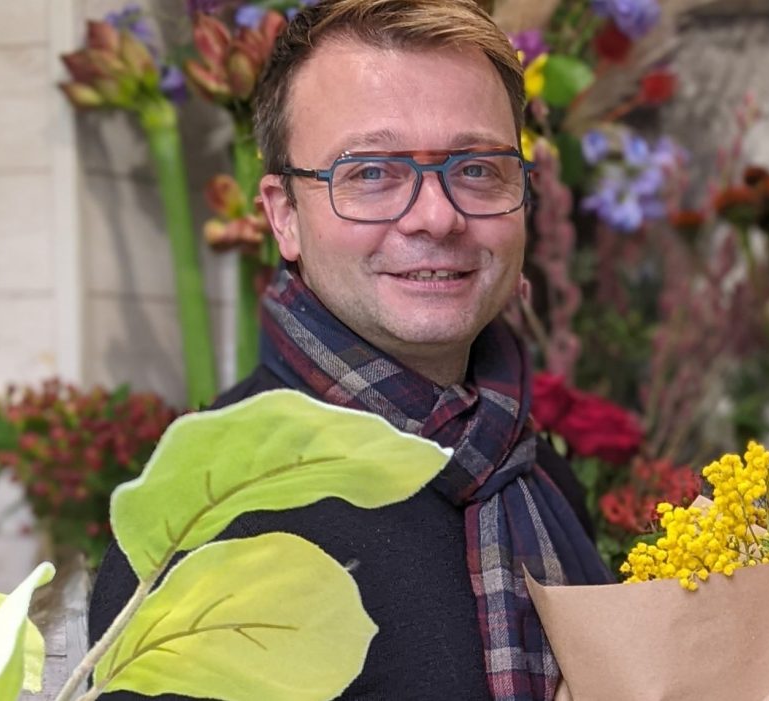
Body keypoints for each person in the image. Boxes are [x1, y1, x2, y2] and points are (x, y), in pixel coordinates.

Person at [86, 1, 612, 699]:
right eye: (370, 173)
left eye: (479, 168)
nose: (437, 216)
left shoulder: (533, 474)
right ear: (283, 215)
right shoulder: (210, 522)